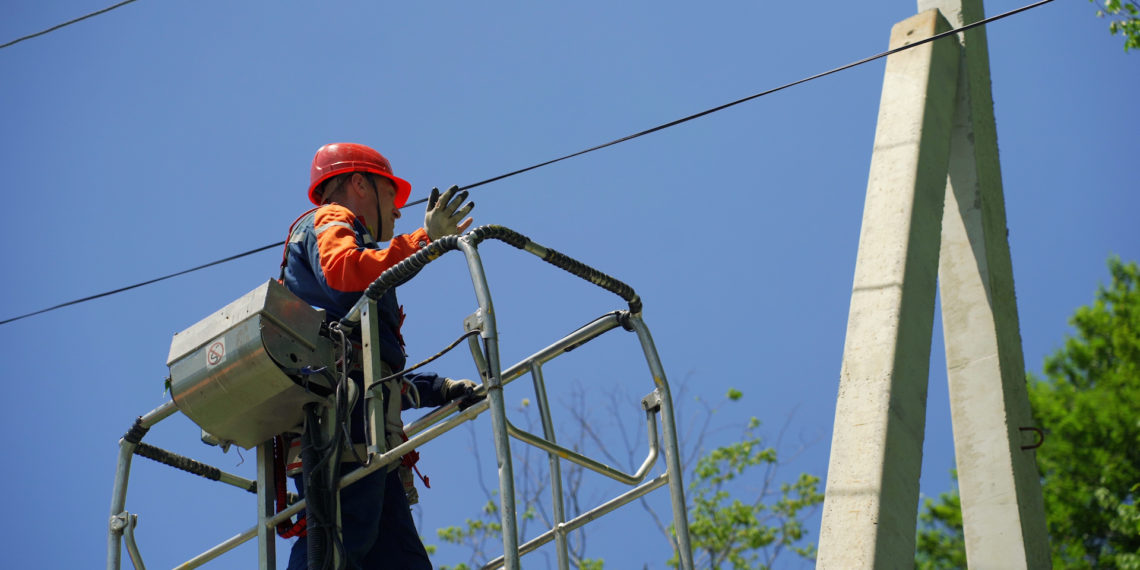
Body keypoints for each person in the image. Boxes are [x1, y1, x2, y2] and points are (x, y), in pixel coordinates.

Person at [279, 142, 477, 569]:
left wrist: (438, 389)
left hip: (361, 427)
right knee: (338, 536)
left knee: (398, 556)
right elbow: (344, 271)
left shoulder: (363, 257)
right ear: (357, 183)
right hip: (336, 428)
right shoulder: (331, 219)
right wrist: (426, 241)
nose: (400, 210)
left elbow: (373, 374)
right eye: (391, 193)